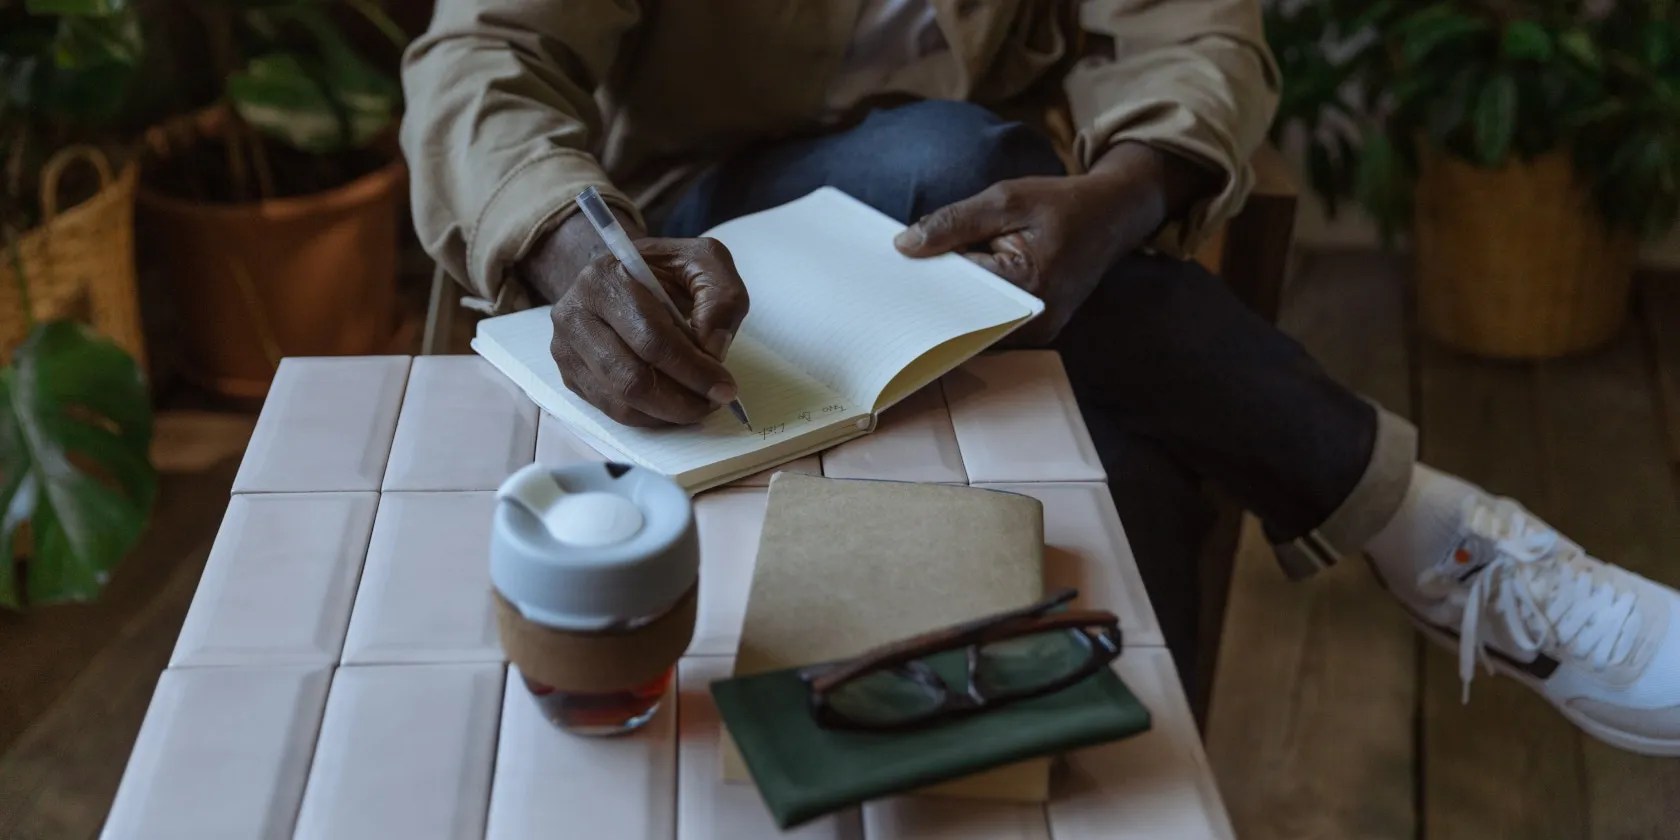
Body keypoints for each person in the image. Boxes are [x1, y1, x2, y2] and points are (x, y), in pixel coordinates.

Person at [400, 0, 1680, 757]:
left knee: (1116, 454)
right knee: (949, 151)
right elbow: (483, 53)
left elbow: (1198, 27)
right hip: (707, 247)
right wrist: (583, 255)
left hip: (986, 268)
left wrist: (1123, 196)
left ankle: (1135, 792)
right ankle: (1422, 526)